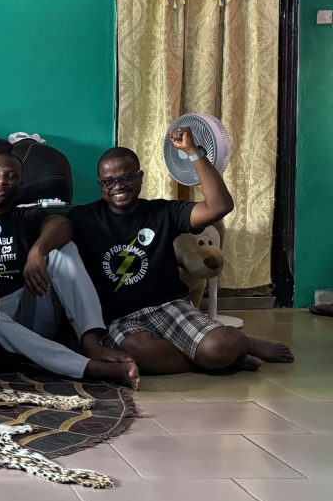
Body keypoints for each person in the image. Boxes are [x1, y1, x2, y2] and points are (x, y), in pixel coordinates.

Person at [69, 130, 293, 374]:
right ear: (100, 185)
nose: (118, 186)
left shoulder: (163, 212)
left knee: (220, 346)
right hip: (120, 318)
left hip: (170, 306)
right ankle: (220, 359)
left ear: (140, 177)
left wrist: (192, 152)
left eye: (127, 177)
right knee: (134, 354)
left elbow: (220, 206)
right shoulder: (84, 217)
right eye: (109, 181)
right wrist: (41, 250)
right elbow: (54, 225)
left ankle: (240, 346)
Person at [0, 130, 140, 389]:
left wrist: (38, 252)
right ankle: (89, 367)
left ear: (21, 184)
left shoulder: (25, 217)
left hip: (29, 305)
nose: (2, 181)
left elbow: (63, 224)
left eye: (11, 176)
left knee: (62, 249)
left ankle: (91, 341)